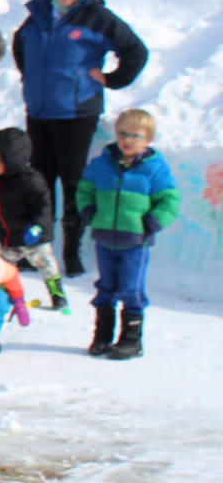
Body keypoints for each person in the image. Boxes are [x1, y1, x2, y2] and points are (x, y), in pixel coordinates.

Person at [13, 0, 149, 277]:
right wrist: (32, 78)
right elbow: (21, 46)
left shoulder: (96, 17)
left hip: (76, 113)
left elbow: (136, 51)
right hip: (39, 111)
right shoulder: (38, 15)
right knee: (38, 184)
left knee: (73, 184)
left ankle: (71, 255)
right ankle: (35, 252)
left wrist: (111, 79)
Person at [76, 107, 178, 360]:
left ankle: (131, 340)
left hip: (135, 242)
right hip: (105, 239)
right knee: (105, 287)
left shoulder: (154, 169)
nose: (127, 140)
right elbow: (85, 189)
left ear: (148, 140)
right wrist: (89, 211)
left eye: (135, 135)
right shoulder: (101, 164)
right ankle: (102, 336)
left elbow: (170, 200)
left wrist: (152, 222)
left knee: (131, 288)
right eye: (122, 134)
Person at [0, 127, 66, 308]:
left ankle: (57, 293)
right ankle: (4, 294)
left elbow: (43, 205)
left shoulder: (30, 180)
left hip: (33, 236)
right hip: (8, 235)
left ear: (12, 160)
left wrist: (37, 226)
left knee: (46, 264)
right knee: (4, 266)